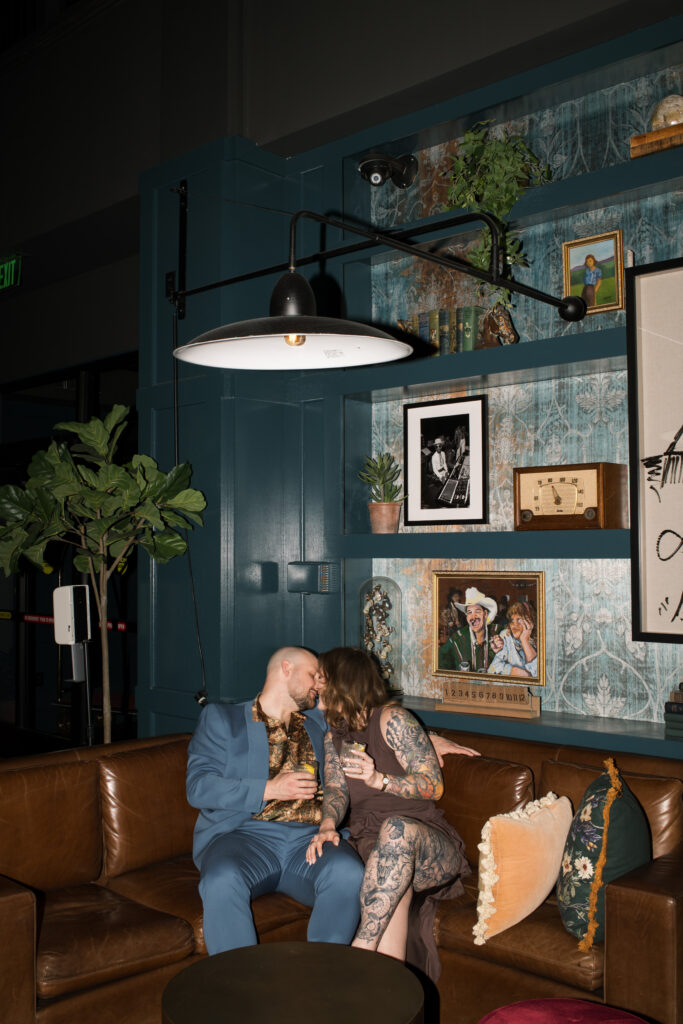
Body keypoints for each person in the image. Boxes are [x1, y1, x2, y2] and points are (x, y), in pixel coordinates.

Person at [186, 646, 365, 954]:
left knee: (349, 873)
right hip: (243, 837)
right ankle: (241, 990)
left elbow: (371, 728)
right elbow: (199, 787)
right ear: (286, 669)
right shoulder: (222, 719)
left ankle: (324, 979)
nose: (319, 685)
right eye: (313, 676)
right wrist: (270, 789)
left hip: (308, 842)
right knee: (220, 879)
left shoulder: (317, 723)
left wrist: (425, 742)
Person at [306, 647, 471, 981]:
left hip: (427, 843)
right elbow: (337, 790)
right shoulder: (332, 735)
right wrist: (326, 826)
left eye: (320, 677)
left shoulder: (393, 719)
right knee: (390, 880)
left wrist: (378, 780)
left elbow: (432, 786)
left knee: (396, 831)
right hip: (376, 847)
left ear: (341, 681)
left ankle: (358, 954)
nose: (315, 684)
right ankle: (383, 994)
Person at [437, 586, 501, 672]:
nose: (473, 617)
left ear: (485, 614)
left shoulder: (498, 632)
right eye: (469, 612)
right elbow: (440, 660)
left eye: (477, 611)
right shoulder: (457, 638)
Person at [490, 602, 538, 678]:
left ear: (529, 622)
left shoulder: (539, 639)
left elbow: (537, 674)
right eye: (512, 620)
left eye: (519, 619)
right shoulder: (506, 636)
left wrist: (524, 640)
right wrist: (517, 671)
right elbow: (493, 668)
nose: (514, 624)